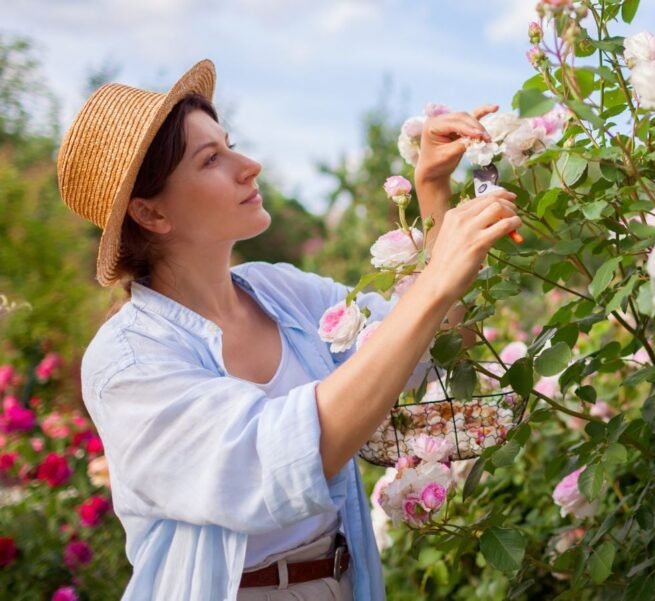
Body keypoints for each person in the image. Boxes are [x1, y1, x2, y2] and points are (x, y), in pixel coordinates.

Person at [56, 59, 521, 601]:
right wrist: (436, 277)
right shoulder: (128, 362)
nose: (248, 165)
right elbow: (273, 461)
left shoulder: (282, 293)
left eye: (230, 144)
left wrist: (433, 189)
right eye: (211, 160)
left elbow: (429, 344)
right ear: (152, 214)